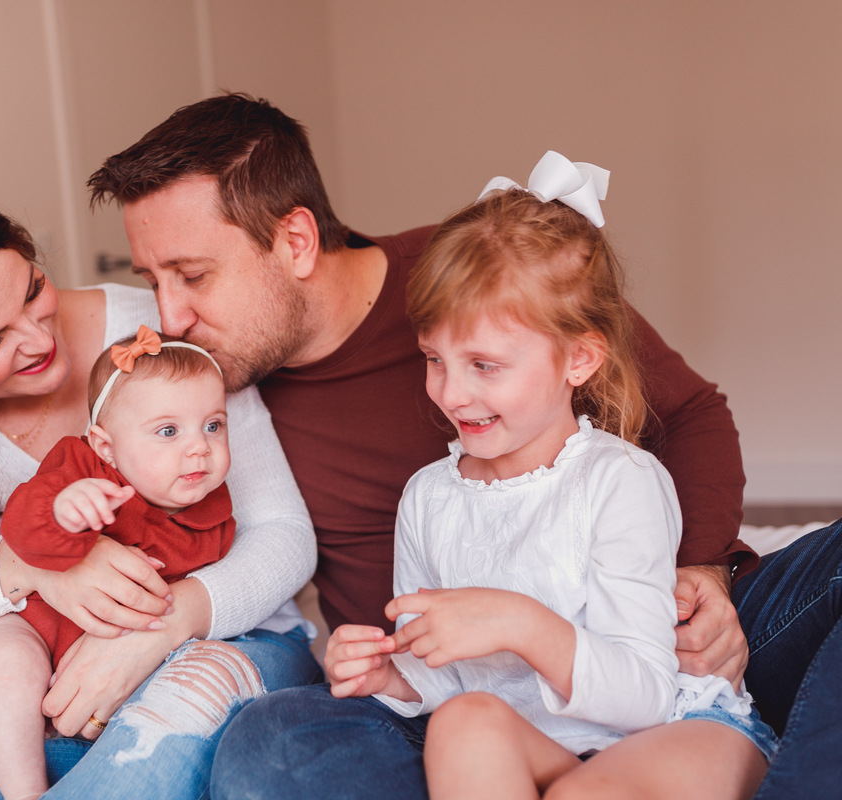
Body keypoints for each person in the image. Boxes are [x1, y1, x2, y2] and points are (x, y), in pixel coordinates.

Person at [84, 93, 842, 797]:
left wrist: (702, 571)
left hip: (650, 640)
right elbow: (37, 323)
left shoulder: (481, 275)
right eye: (151, 280)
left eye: (192, 275)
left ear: (297, 240)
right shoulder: (205, 385)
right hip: (456, 692)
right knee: (270, 746)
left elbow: (695, 415)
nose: (169, 316)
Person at [0, 182, 320, 800]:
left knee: (189, 694)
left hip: (218, 644)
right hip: (53, 689)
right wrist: (27, 565)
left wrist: (167, 625)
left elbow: (283, 535)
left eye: (32, 291)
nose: (38, 339)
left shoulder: (161, 337)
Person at [324, 158, 773, 799]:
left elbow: (647, 694)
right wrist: (390, 676)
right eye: (434, 359)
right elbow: (451, 679)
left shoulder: (619, 482)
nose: (451, 393)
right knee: (461, 724)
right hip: (552, 745)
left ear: (579, 359)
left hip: (676, 730)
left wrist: (519, 622)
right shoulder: (428, 498)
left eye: (484, 364)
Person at [0, 327, 235, 799]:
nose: (199, 446)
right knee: (10, 668)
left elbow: (211, 597)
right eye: (168, 431)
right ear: (106, 446)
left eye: (213, 425)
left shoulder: (213, 512)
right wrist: (63, 511)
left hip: (97, 665)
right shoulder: (83, 472)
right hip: (26, 625)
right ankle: (25, 793)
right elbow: (20, 529)